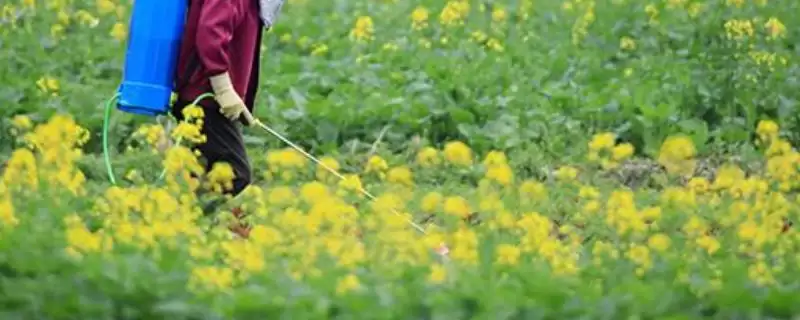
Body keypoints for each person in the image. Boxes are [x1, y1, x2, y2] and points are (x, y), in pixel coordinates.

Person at [171, 0, 274, 238]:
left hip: (207, 98)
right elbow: (210, 32)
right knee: (235, 172)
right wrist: (223, 87)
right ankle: (184, 224)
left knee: (205, 169)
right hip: (205, 98)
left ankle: (191, 230)